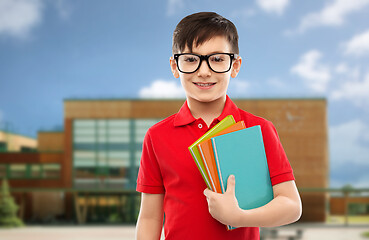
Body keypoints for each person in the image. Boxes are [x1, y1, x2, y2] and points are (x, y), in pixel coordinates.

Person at [135, 12, 302, 240]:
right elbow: (149, 217)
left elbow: (291, 205)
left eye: (217, 59)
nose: (204, 71)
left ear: (235, 65)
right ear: (175, 66)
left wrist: (239, 217)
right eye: (191, 59)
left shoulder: (258, 129)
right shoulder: (157, 136)